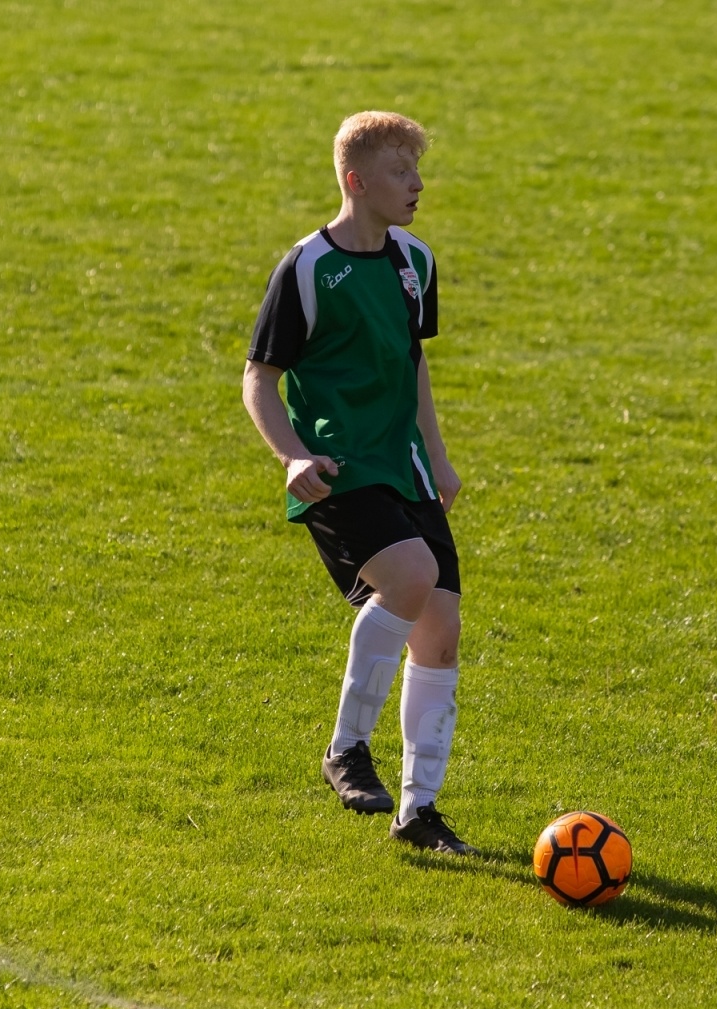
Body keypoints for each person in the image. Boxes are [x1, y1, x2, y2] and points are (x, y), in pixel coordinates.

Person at [242, 111, 475, 855]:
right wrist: (291, 457)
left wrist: (437, 456)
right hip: (337, 467)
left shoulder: (416, 261)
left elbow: (412, 363)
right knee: (410, 576)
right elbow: (259, 378)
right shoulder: (307, 268)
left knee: (440, 629)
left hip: (402, 464)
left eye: (417, 169)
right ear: (356, 181)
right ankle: (346, 749)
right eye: (401, 171)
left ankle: (420, 811)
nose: (417, 183)